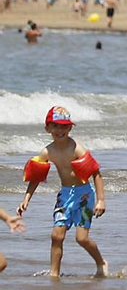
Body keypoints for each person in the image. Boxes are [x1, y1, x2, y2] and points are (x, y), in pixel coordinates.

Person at [17, 106, 109, 278]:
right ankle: (54, 273)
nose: (60, 130)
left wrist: (101, 200)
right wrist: (26, 198)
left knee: (81, 239)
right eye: (55, 126)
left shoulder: (76, 148)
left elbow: (95, 172)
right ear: (48, 129)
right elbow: (36, 176)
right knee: (56, 236)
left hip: (84, 195)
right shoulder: (47, 151)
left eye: (64, 126)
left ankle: (101, 263)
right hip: (65, 196)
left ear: (70, 128)